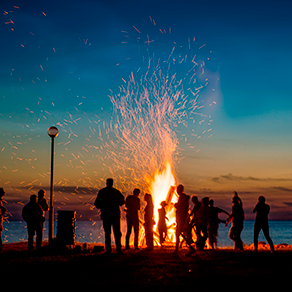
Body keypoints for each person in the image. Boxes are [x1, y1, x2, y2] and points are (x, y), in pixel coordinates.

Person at [94, 178, 125, 254]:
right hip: (115, 215)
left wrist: (103, 206)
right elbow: (122, 202)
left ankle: (108, 250)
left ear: (106, 183)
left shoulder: (102, 192)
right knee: (117, 233)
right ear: (112, 183)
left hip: (106, 215)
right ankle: (118, 249)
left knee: (107, 233)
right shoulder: (116, 192)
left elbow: (96, 204)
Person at [174, 184, 195, 253]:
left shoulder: (182, 198)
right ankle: (190, 247)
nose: (177, 191)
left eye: (178, 190)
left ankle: (177, 248)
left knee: (178, 233)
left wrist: (175, 205)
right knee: (181, 233)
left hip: (181, 218)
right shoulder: (183, 198)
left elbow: (180, 207)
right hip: (182, 218)